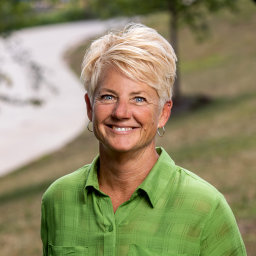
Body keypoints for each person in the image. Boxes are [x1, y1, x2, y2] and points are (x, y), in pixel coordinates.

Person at [41, 23, 247, 256]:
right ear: (90, 107)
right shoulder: (57, 200)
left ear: (163, 113)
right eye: (108, 96)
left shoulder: (206, 207)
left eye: (139, 99)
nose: (121, 112)